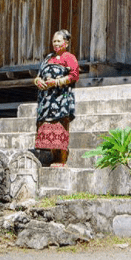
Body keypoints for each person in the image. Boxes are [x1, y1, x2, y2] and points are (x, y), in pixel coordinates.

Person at [33, 29, 79, 166]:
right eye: (54, 41)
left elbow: (74, 76)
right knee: (47, 128)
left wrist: (56, 82)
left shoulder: (69, 58)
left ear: (66, 43)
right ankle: (51, 156)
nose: (56, 44)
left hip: (60, 100)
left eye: (59, 41)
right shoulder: (48, 58)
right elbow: (38, 75)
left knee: (59, 127)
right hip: (46, 101)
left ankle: (61, 158)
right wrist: (38, 81)